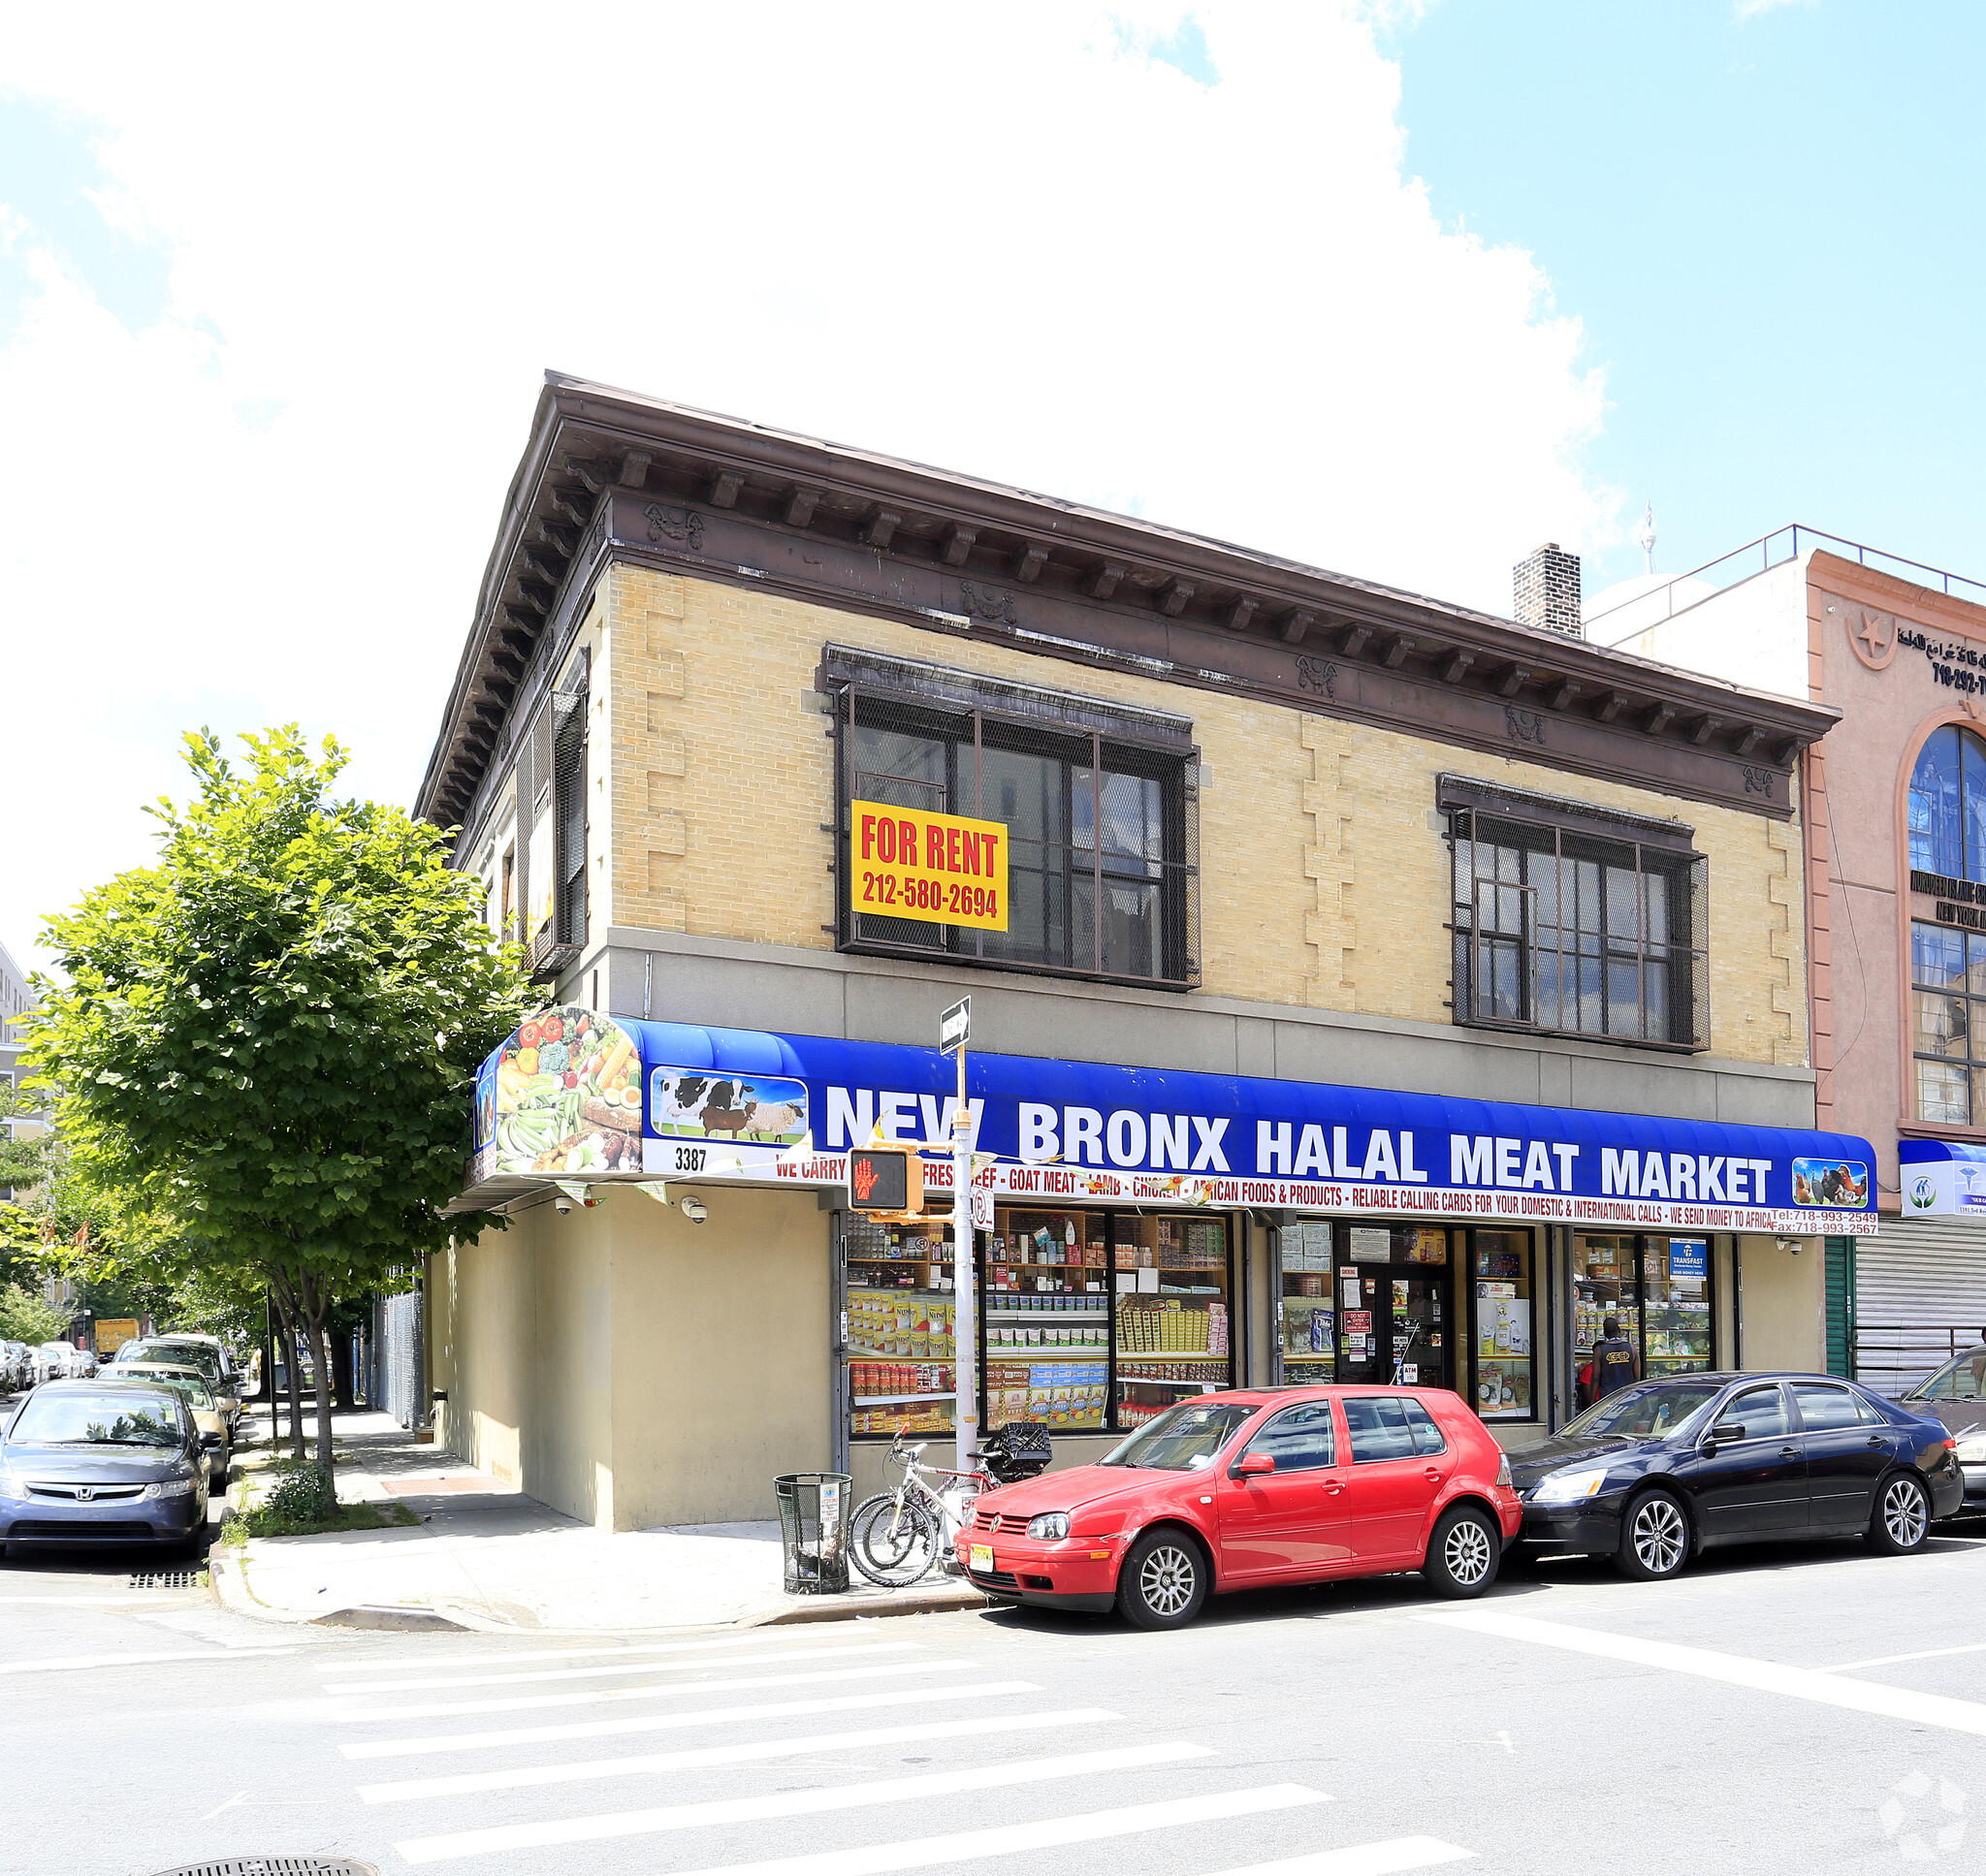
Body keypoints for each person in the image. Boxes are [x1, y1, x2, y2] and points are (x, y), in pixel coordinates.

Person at [1590, 1316, 1638, 1402]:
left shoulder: (1599, 1350)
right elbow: (1637, 1377)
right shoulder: (1632, 1349)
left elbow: (1595, 1377)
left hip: (1607, 1398)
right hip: (1628, 1397)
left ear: (1605, 1333)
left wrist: (1591, 1401)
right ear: (1619, 1330)